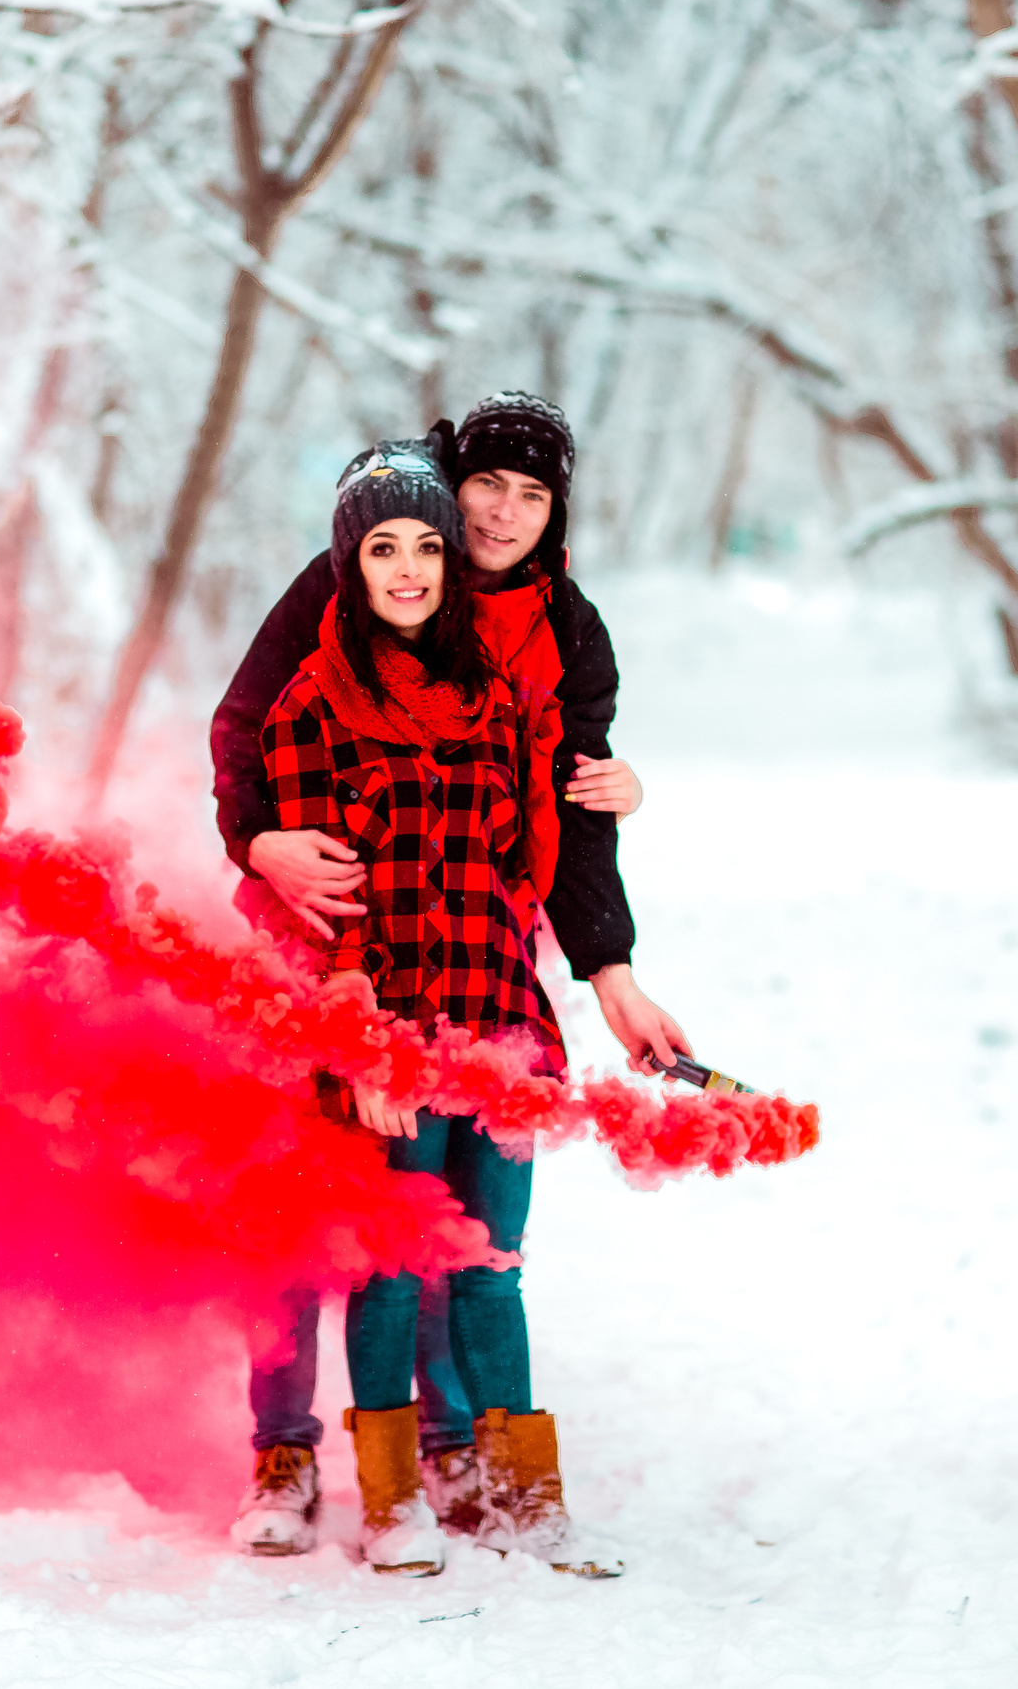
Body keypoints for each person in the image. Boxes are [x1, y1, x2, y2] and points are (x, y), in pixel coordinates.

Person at [217, 394, 686, 1553]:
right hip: (321, 938)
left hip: (474, 964)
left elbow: (569, 809)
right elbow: (244, 730)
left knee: (451, 1237)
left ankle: (450, 1449)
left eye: (532, 496)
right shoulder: (364, 574)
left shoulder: (557, 638)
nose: (496, 516)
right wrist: (258, 842)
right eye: (485, 486)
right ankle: (287, 1452)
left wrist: (610, 959)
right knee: (311, 1219)